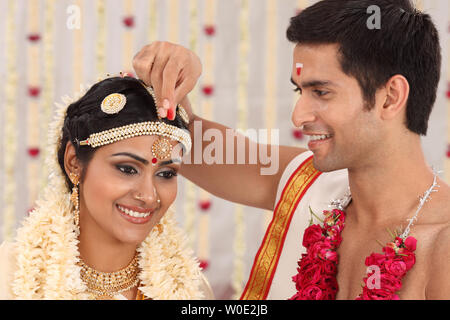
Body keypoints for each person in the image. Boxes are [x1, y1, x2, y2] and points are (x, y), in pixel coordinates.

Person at [132, 0, 450, 300]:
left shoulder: (441, 245)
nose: (298, 116)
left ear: (391, 97)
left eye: (321, 91)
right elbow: (188, 145)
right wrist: (169, 75)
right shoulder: (306, 184)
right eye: (300, 91)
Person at [0, 75, 213, 300]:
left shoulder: (190, 289)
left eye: (166, 174)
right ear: (74, 163)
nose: (149, 196)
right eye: (127, 169)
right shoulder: (10, 277)